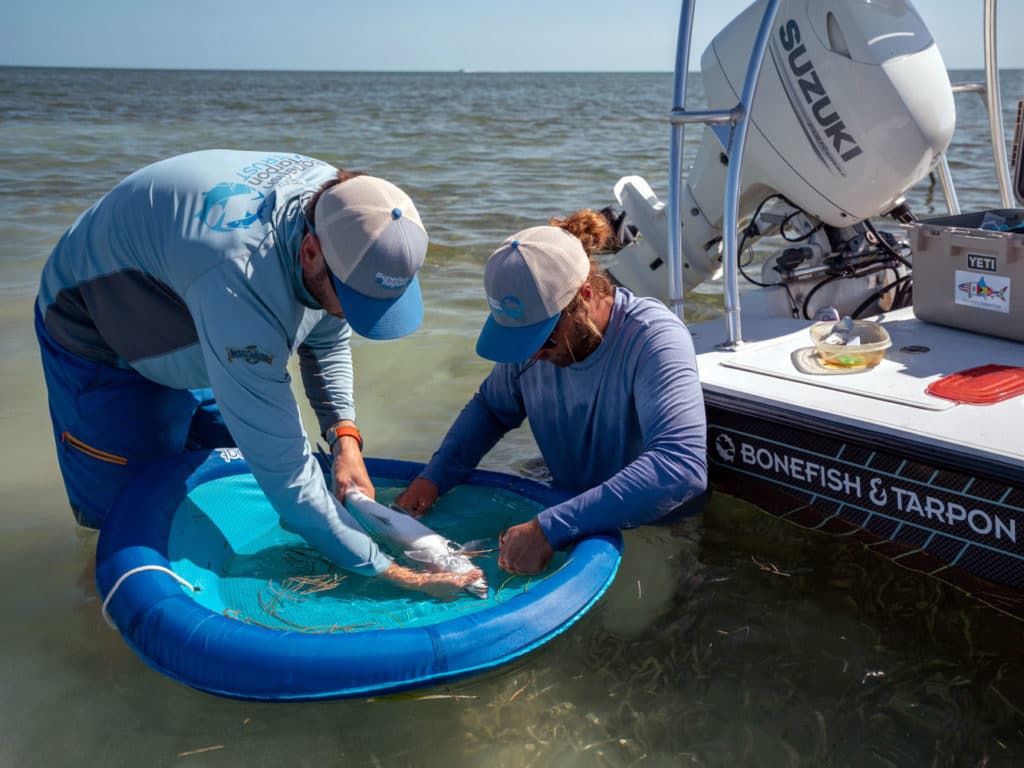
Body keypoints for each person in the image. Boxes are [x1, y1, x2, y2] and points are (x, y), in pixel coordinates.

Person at [35, 149, 479, 597]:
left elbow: (326, 334)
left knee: (238, 490)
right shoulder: (239, 283)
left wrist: (345, 438)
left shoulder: (349, 210)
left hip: (198, 301)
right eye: (355, 299)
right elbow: (290, 481)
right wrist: (395, 574)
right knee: (123, 528)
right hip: (97, 331)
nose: (356, 315)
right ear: (309, 251)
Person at [396, 210, 709, 574]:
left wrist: (550, 527)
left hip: (656, 524)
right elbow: (492, 409)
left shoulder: (655, 339)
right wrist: (432, 478)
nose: (530, 355)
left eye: (542, 337)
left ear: (585, 296)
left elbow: (682, 466)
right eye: (519, 339)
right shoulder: (530, 347)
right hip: (568, 507)